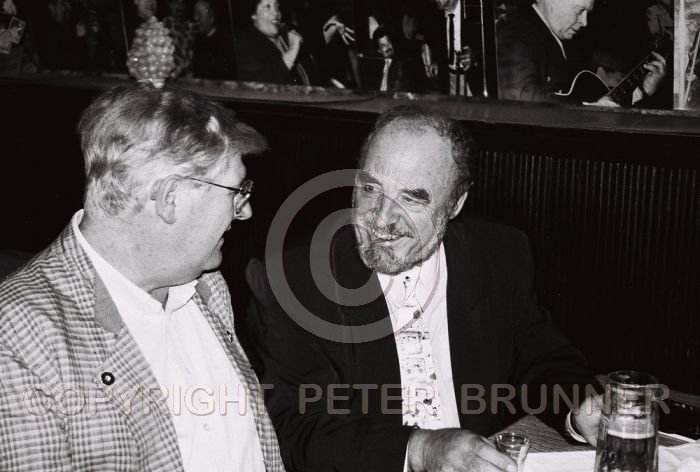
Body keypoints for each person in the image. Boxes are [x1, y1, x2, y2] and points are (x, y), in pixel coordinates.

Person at [245, 105, 600, 472]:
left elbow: (542, 358)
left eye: (412, 198)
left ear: (456, 204)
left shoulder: (497, 256)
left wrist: (579, 409)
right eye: (370, 189)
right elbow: (295, 429)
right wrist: (417, 450)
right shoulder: (293, 280)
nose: (382, 218)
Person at [0, 83, 284, 471]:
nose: (245, 211)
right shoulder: (20, 337)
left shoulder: (207, 290)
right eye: (236, 191)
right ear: (170, 198)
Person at [497, 0, 667, 104]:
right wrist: (588, 111)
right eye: (579, 10)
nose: (584, 22)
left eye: (587, 13)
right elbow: (517, 97)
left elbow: (600, 104)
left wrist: (641, 92)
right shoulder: (517, 34)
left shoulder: (564, 43)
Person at [234, 0, 316, 85]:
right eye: (267, 7)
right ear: (253, 14)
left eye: (276, 6)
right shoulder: (244, 44)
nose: (276, 12)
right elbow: (261, 85)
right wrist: (292, 51)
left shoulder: (286, 36)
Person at [362, 26, 428, 93]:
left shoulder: (400, 62)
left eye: (389, 43)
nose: (388, 47)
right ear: (379, 50)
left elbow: (396, 90)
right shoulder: (377, 64)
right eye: (383, 45)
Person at [191, 0, 234, 79]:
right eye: (195, 13)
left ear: (211, 18)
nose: (195, 18)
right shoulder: (197, 40)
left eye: (199, 14)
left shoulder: (224, 43)